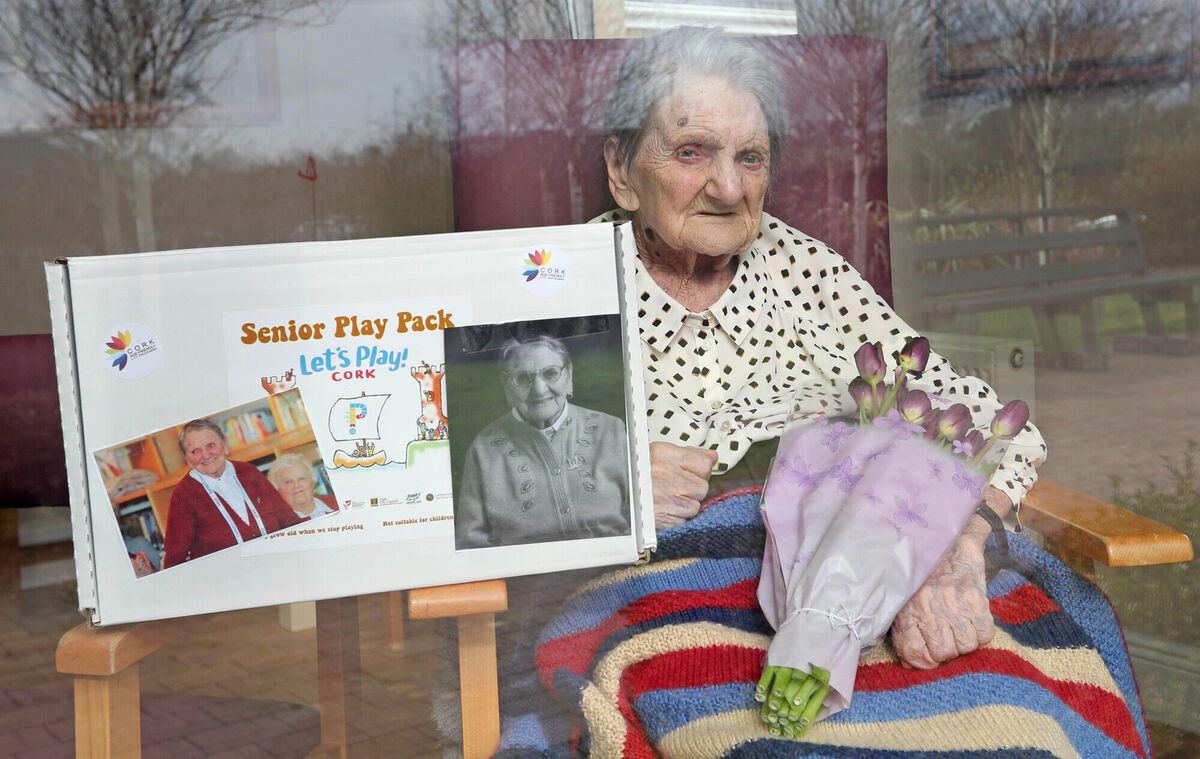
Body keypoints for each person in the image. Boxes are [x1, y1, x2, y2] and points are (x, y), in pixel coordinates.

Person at [594, 25, 1048, 671]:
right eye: (692, 152)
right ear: (621, 169)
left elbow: (991, 426)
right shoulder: (558, 284)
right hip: (671, 615)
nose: (729, 188)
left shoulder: (803, 268)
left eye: (750, 157)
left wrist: (957, 542)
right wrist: (603, 485)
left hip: (875, 599)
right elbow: (456, 488)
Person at [454, 335, 632, 549]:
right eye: (522, 378)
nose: (539, 389)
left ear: (568, 375)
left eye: (550, 373)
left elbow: (641, 518)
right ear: (506, 385)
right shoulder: (483, 450)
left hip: (617, 572)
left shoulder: (611, 429)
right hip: (526, 580)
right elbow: (470, 540)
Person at [162, 419, 301, 567]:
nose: (206, 455)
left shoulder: (249, 472)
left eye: (211, 445)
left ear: (225, 445)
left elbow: (289, 522)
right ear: (187, 460)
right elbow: (175, 561)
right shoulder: (183, 496)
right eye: (195, 451)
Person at [267, 453, 338, 521]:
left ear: (313, 482)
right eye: (288, 482)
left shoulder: (336, 502)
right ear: (277, 489)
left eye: (302, 478)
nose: (296, 485)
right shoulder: (278, 524)